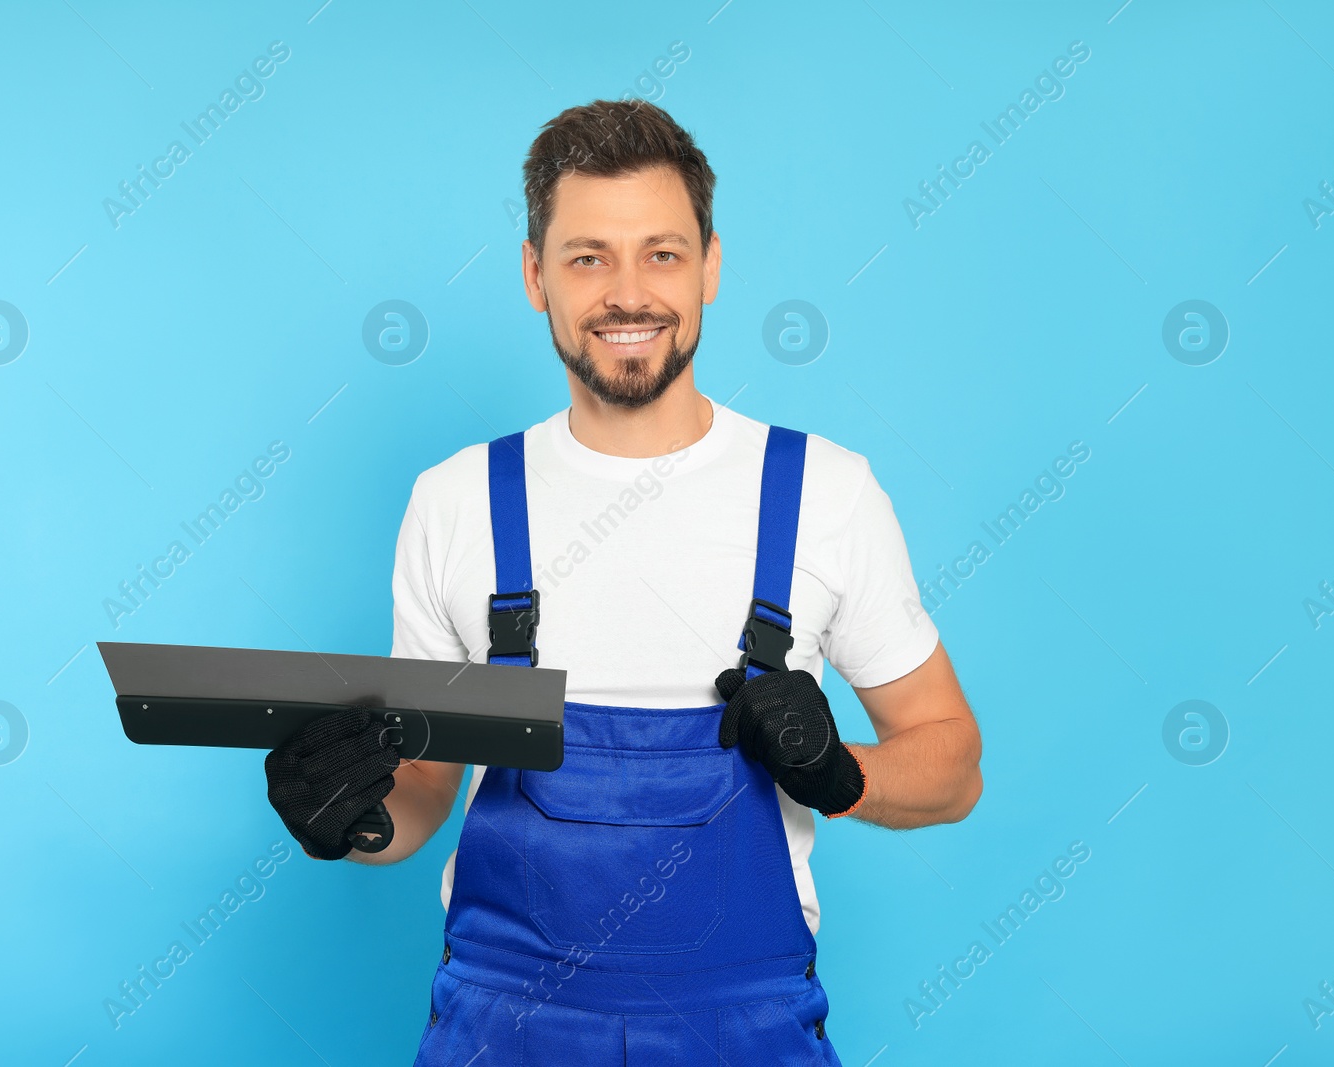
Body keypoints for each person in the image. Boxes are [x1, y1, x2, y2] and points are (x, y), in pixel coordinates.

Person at [264, 98, 983, 1065]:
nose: (628, 293)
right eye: (588, 256)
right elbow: (427, 788)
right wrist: (353, 815)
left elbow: (953, 765)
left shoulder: (824, 493)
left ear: (711, 266)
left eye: (663, 253)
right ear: (535, 277)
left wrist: (842, 773)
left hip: (745, 1029)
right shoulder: (456, 501)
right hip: (500, 1027)